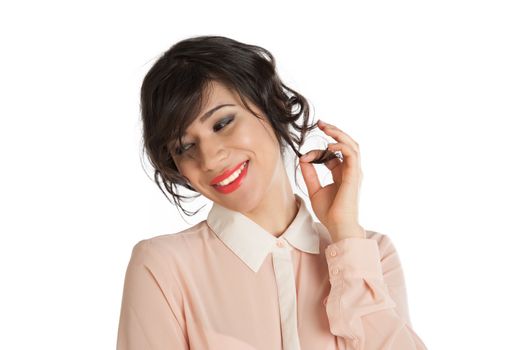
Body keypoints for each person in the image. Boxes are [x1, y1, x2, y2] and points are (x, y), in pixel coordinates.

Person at [116, 35, 428, 350]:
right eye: (185, 147)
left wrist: (346, 232)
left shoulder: (370, 253)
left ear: (272, 105)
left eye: (222, 123)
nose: (209, 158)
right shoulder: (162, 268)